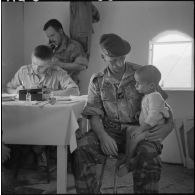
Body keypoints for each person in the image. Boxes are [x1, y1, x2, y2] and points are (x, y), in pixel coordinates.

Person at [72, 33, 174, 193]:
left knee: (149, 156)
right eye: (113, 60)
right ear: (102, 57)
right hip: (109, 131)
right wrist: (102, 136)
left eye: (122, 58)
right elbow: (94, 114)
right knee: (80, 151)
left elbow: (162, 105)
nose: (119, 64)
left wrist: (168, 127)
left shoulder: (141, 73)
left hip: (139, 131)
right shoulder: (97, 80)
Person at [6, 45, 80, 167]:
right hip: (26, 119)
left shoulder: (58, 72)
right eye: (34, 63)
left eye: (41, 66)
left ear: (50, 63)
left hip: (50, 120)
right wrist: (18, 92)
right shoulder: (23, 71)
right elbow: (8, 88)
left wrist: (49, 94)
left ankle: (40, 151)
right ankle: (33, 152)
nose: (36, 68)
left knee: (51, 134)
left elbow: (74, 91)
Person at [117, 65, 171, 177]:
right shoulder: (149, 95)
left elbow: (153, 116)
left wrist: (141, 129)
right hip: (147, 127)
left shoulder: (155, 96)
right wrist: (140, 114)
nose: (135, 85)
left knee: (134, 138)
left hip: (152, 130)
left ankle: (128, 164)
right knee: (130, 131)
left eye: (138, 83)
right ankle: (128, 156)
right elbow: (148, 110)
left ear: (151, 85)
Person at [43, 19, 89, 85]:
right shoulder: (51, 46)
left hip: (68, 87)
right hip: (51, 86)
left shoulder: (74, 46)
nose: (51, 39)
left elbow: (82, 66)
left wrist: (60, 64)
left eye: (52, 35)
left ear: (60, 31)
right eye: (49, 37)